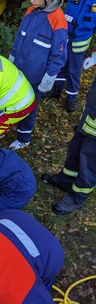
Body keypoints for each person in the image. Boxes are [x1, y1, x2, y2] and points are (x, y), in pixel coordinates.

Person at [8, 0, 68, 150]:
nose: (31, 0)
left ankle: (24, 137)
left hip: (36, 75)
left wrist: (49, 77)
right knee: (13, 98)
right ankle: (10, 124)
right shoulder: (31, 11)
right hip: (19, 68)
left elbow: (59, 53)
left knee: (29, 105)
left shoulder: (58, 19)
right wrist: (12, 57)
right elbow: (20, 37)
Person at [41, 75, 96, 215]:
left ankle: (78, 195)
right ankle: (66, 179)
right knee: (76, 148)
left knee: (90, 160)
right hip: (92, 111)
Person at [43, 0, 96, 112]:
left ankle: (71, 100)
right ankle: (56, 90)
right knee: (61, 64)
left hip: (81, 39)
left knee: (74, 70)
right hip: (66, 34)